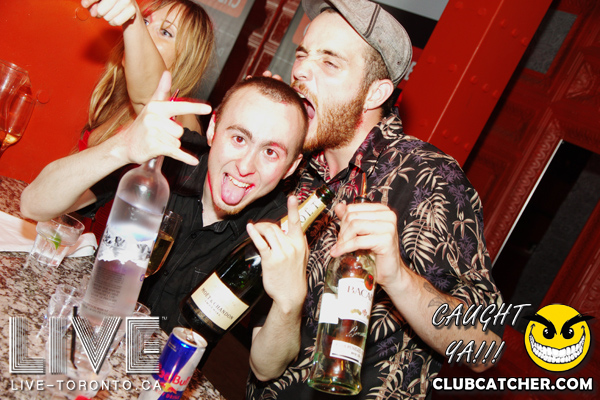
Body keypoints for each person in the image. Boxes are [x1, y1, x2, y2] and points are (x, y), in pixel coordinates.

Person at [245, 1, 505, 398]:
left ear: (375, 93)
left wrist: (398, 277)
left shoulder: (426, 177)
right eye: (302, 55)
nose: (300, 71)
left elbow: (485, 348)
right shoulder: (296, 165)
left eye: (329, 62)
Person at [20, 72, 309, 334]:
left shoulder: (278, 230)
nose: (245, 166)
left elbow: (265, 367)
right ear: (213, 129)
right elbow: (33, 204)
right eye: (238, 138)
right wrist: (122, 147)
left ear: (292, 167)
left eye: (270, 152)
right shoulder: (165, 156)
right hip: (89, 323)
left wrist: (291, 304)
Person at [79, 0, 214, 148]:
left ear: (185, 61)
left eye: (165, 32)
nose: (145, 32)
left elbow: (153, 100)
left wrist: (135, 18)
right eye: (145, 22)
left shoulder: (183, 117)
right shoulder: (115, 98)